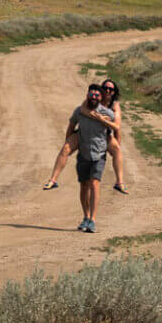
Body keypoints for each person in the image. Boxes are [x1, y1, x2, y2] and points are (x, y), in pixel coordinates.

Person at [43, 77, 129, 194]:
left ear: (114, 92)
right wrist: (68, 139)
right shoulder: (93, 99)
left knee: (117, 150)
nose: (108, 91)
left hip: (103, 134)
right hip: (84, 131)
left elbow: (117, 128)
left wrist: (115, 143)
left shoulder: (114, 105)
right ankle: (53, 180)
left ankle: (119, 182)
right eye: (105, 88)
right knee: (66, 148)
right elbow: (82, 111)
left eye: (111, 89)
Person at [65, 83, 117, 233]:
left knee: (94, 183)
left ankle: (93, 220)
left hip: (99, 154)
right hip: (83, 153)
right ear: (87, 95)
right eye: (91, 95)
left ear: (100, 98)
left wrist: (116, 148)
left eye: (97, 95)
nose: (93, 97)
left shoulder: (107, 113)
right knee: (83, 186)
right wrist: (68, 145)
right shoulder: (79, 112)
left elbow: (115, 130)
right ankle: (86, 217)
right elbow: (71, 126)